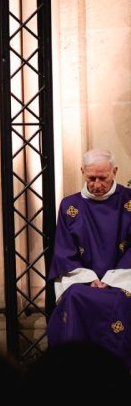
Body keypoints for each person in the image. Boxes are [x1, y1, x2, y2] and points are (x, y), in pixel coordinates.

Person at [46, 149, 130, 355]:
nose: (97, 184)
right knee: (74, 297)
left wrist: (112, 280)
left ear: (115, 172)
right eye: (91, 178)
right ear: (82, 171)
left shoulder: (128, 201)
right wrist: (89, 279)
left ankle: (118, 368)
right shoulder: (70, 206)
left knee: (120, 301)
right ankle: (76, 365)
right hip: (83, 282)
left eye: (103, 178)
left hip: (123, 281)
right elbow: (64, 250)